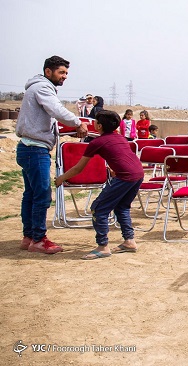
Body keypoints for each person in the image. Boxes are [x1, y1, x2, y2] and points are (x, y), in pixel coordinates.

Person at [15, 55, 88, 254]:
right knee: (42, 195)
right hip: (35, 149)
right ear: (48, 71)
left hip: (29, 147)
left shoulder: (37, 87)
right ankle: (38, 239)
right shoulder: (42, 87)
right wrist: (77, 122)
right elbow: (56, 110)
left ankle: (29, 236)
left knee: (31, 194)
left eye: (66, 73)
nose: (64, 77)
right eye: (61, 72)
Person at [55, 110, 144, 260]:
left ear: (99, 126)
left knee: (98, 209)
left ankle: (102, 246)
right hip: (138, 174)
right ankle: (129, 241)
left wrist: (61, 178)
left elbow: (78, 168)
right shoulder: (120, 137)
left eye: (95, 121)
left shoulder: (96, 142)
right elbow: (120, 156)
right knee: (121, 207)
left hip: (125, 177)